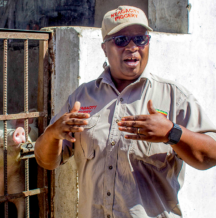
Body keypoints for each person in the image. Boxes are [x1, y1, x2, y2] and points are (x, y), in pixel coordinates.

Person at [34, 5, 216, 218]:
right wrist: (53, 134)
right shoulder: (82, 98)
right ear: (104, 48)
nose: (132, 47)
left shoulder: (173, 96)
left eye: (140, 39)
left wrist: (171, 133)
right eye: (121, 40)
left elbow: (211, 155)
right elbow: (47, 161)